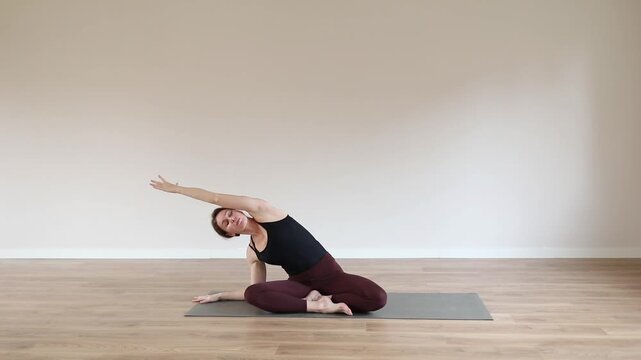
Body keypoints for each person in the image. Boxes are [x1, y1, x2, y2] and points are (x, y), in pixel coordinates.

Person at [150, 175, 387, 315]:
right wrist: (220, 296)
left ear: (240, 209)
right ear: (231, 233)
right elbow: (256, 290)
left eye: (231, 213)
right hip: (302, 286)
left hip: (332, 276)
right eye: (226, 222)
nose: (232, 218)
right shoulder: (252, 252)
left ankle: (327, 298)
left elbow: (215, 198)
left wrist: (178, 189)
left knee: (377, 298)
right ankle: (318, 306)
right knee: (255, 295)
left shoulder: (265, 211)